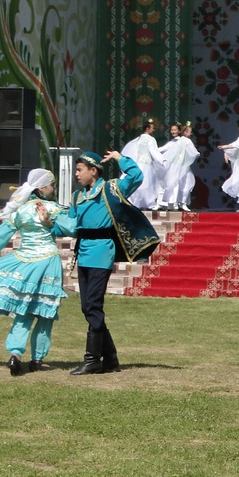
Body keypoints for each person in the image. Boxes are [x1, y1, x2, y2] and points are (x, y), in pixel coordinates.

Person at [0, 169, 74, 375]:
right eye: (51, 185)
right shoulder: (52, 208)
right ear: (42, 188)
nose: (53, 188)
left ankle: (15, 353)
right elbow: (72, 229)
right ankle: (37, 359)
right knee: (45, 312)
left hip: (24, 261)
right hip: (47, 261)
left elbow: (0, 234)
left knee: (24, 309)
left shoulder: (21, 210)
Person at [68, 150, 161, 375]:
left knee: (93, 305)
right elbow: (70, 223)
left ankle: (92, 359)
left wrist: (120, 158)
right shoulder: (76, 196)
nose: (76, 174)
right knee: (86, 307)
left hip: (102, 251)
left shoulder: (111, 188)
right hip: (84, 251)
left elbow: (136, 175)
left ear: (93, 171)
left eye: (80, 170)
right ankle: (110, 359)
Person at [120, 118, 166, 210]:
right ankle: (148, 203)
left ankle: (137, 202)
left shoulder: (139, 139)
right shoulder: (150, 139)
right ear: (147, 129)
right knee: (148, 183)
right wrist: (162, 160)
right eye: (152, 128)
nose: (153, 130)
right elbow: (154, 151)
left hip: (139, 163)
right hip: (147, 164)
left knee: (140, 183)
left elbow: (132, 150)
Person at [159, 123, 199, 211]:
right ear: (185, 132)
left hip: (180, 166)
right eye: (189, 132)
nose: (190, 134)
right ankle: (179, 202)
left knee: (181, 183)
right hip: (181, 166)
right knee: (183, 183)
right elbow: (193, 152)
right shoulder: (185, 141)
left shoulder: (180, 141)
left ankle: (176, 203)